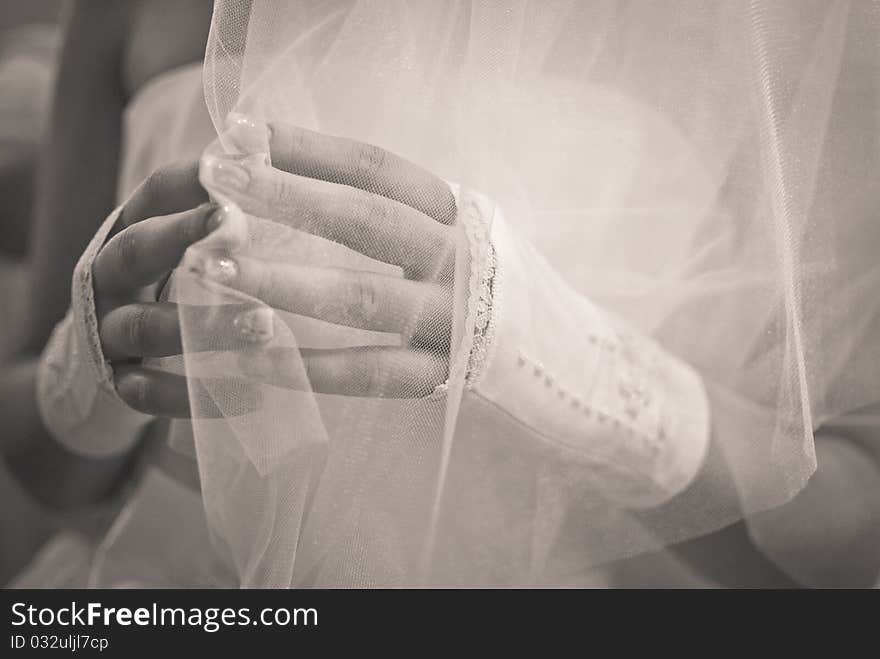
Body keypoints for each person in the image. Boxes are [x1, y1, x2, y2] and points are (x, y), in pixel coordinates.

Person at [7, 0, 880, 587]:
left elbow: (845, 535)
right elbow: (42, 461)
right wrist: (86, 370)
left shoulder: (784, 42)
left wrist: (553, 356)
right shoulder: (132, 11)